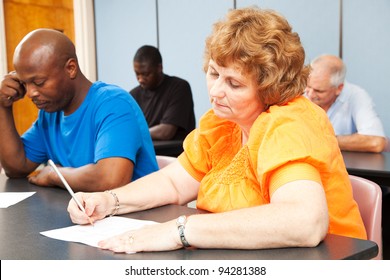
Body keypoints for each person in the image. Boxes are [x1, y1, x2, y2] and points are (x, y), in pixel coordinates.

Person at [68, 7, 366, 253]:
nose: (215, 92)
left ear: (270, 88)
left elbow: (305, 221)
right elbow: (174, 183)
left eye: (234, 83)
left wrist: (181, 230)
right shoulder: (223, 121)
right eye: (213, 73)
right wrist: (109, 201)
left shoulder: (289, 121)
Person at [0, 28, 158, 192]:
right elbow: (16, 167)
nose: (30, 93)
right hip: (89, 212)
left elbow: (111, 179)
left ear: (71, 68)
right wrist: (3, 105)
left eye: (39, 82)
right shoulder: (49, 115)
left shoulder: (113, 104)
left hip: (137, 215)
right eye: (24, 84)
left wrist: (56, 175)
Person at [305, 54, 386, 153]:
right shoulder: (299, 92)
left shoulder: (357, 96)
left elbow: (376, 142)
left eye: (319, 91)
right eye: (308, 86)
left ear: (339, 88)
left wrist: (323, 140)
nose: (310, 94)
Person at [130, 45, 195, 140]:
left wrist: (136, 133)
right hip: (145, 153)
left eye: (146, 74)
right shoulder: (133, 95)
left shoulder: (179, 87)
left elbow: (166, 132)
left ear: (159, 68)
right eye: (137, 74)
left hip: (173, 153)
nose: (140, 79)